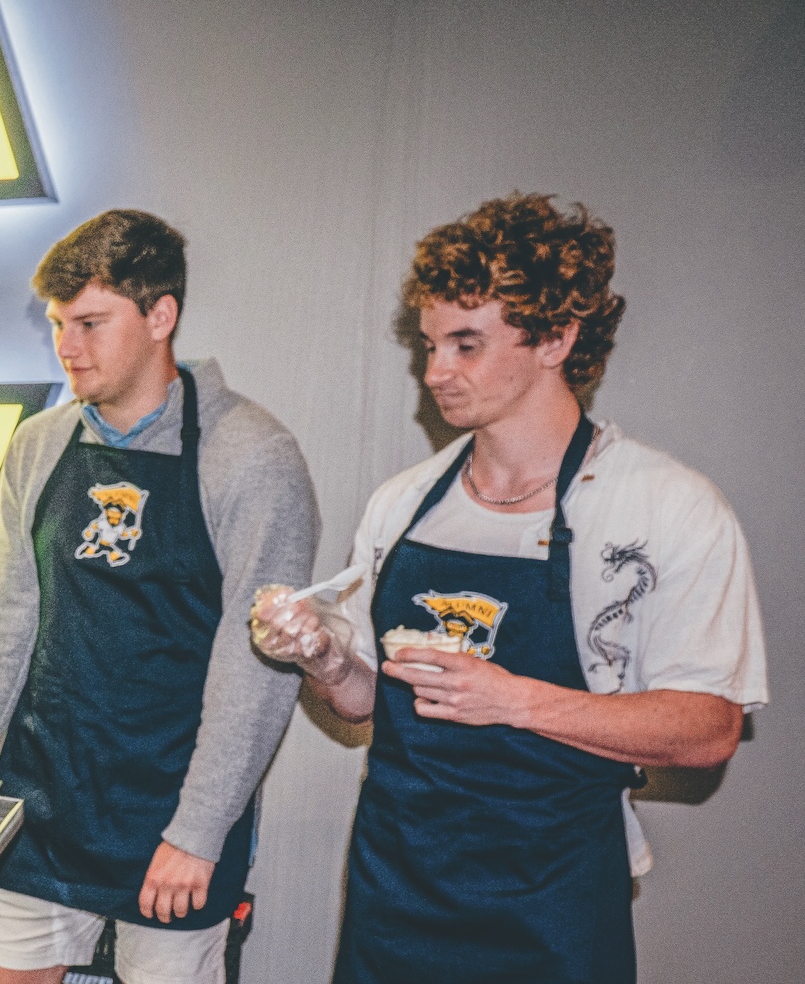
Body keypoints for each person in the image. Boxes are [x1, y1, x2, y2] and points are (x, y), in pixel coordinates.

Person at [253, 194, 768, 983]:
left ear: (558, 337)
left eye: (466, 344)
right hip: (397, 890)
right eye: (429, 345)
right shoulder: (403, 503)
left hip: (552, 903)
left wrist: (514, 699)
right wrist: (323, 657)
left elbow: (707, 730)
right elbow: (366, 705)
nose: (436, 373)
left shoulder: (664, 507)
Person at [0, 211, 319, 984]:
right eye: (57, 324)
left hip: (171, 813)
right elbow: (3, 626)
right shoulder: (38, 446)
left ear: (160, 315)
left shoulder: (251, 457)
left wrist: (201, 831)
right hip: (38, 804)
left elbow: (255, 674)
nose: (67, 347)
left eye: (89, 323)